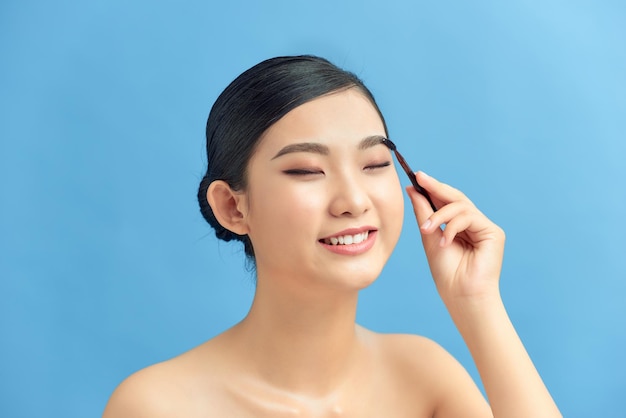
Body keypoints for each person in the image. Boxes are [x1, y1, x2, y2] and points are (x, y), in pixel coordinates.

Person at [103, 55, 561, 417]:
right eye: (307, 170)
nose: (353, 200)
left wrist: (476, 301)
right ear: (233, 207)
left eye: (375, 165)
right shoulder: (156, 406)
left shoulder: (425, 375)